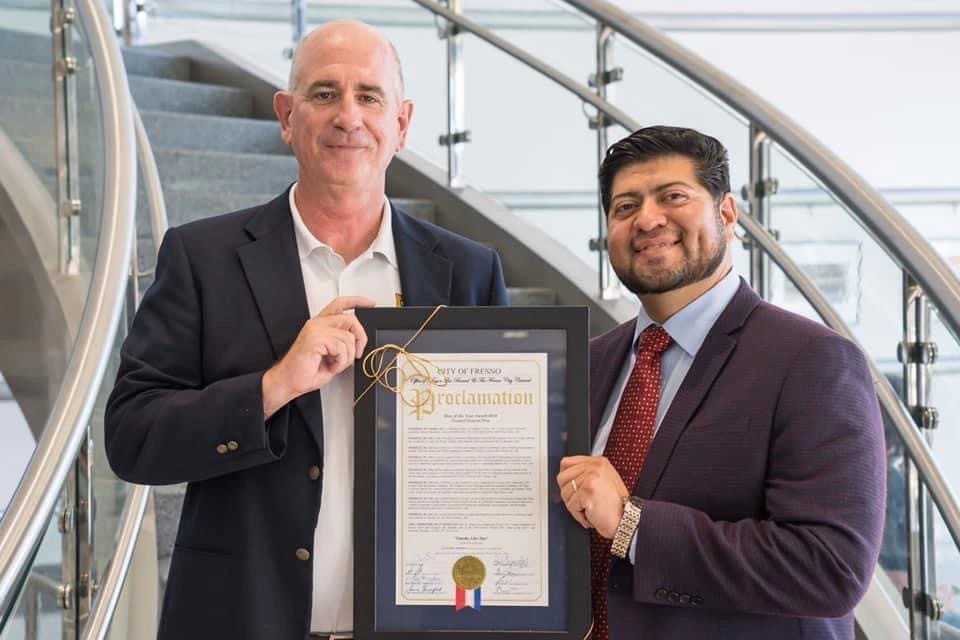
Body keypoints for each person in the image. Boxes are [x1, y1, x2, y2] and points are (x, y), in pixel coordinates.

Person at [105, 20, 507, 640]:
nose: (348, 116)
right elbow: (132, 437)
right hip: (243, 620)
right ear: (287, 117)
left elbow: (504, 454)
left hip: (429, 624)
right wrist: (272, 386)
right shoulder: (202, 256)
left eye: (369, 96)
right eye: (324, 94)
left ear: (401, 124)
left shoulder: (471, 272)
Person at [556, 125, 885, 639]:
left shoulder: (812, 360)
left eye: (673, 197)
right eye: (624, 207)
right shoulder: (590, 362)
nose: (647, 218)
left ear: (727, 213)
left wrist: (631, 523)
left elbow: (830, 567)